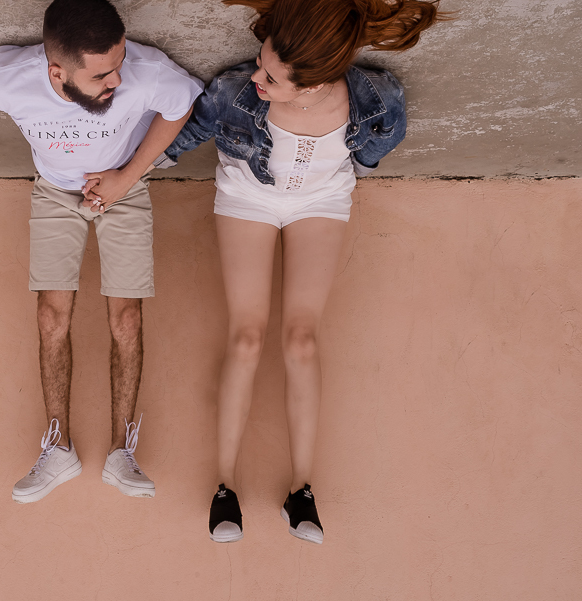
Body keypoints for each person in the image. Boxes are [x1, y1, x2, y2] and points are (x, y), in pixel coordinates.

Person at [155, 0, 446, 542]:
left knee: (302, 340)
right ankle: (225, 487)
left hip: (321, 201)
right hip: (248, 196)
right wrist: (119, 171)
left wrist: (350, 171)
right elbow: (180, 139)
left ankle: (302, 491)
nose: (257, 79)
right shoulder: (236, 90)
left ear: (313, 83)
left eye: (271, 78)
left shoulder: (377, 97)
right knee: (247, 337)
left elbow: (378, 144)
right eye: (261, 64)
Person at [0, 0, 203, 503]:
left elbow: (180, 108)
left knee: (126, 319)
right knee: (51, 316)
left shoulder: (147, 71)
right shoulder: (6, 76)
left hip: (124, 189)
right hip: (55, 192)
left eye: (119, 63)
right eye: (101, 76)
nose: (117, 80)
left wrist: (125, 177)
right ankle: (57, 450)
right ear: (56, 72)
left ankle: (122, 453)